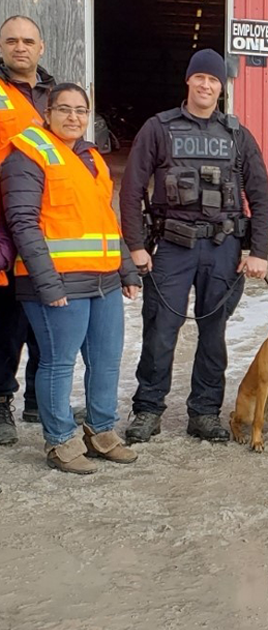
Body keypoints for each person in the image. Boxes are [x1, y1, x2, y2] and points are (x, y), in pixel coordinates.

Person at [119, 49, 268, 443]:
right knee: (159, 332)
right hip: (172, 246)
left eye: (214, 80)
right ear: (188, 81)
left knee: (213, 334)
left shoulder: (237, 134)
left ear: (222, 87)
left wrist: (258, 251)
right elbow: (132, 188)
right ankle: (148, 410)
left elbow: (259, 192)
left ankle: (204, 413)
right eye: (200, 77)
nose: (206, 85)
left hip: (222, 247)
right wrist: (135, 245)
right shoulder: (159, 128)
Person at [0, 83, 141, 473]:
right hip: (58, 283)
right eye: (64, 109)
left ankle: (101, 432)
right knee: (58, 363)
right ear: (47, 112)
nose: (73, 117)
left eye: (81, 110)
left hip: (104, 281)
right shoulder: (26, 154)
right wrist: (47, 283)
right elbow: (22, 223)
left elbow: (106, 221)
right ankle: (60, 441)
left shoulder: (91, 157)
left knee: (107, 360)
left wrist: (126, 268)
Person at [0, 15, 52, 444]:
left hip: (50, 223)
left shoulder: (57, 97)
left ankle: (38, 398)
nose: (20, 48)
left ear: (41, 47)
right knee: (6, 322)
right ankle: (2, 403)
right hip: (2, 224)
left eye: (28, 41)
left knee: (46, 315)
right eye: (12, 41)